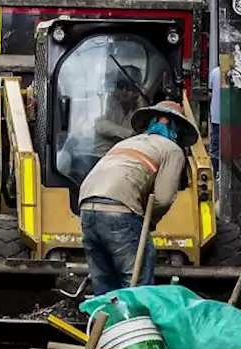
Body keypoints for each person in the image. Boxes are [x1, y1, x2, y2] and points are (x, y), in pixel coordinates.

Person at [76, 101, 196, 295]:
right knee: (136, 279)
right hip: (119, 208)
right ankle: (134, 322)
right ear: (178, 130)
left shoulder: (126, 143)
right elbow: (163, 198)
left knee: (104, 281)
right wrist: (150, 222)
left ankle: (106, 322)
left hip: (87, 205)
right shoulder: (172, 150)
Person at [207, 64, 221, 175]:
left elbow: (210, 92)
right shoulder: (239, 74)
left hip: (216, 115)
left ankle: (215, 171)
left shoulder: (214, 72)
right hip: (231, 120)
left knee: (215, 145)